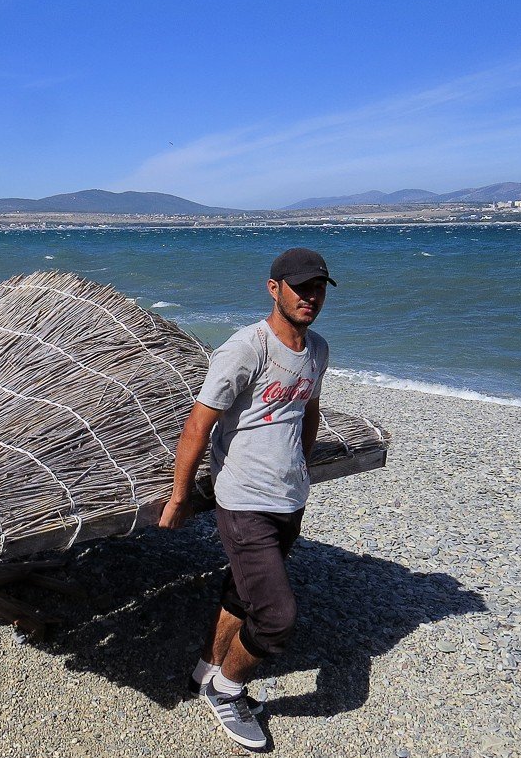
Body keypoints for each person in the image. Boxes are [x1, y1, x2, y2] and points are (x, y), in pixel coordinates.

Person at [159, 247, 335, 750]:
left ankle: (205, 670)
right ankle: (228, 691)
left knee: (242, 591)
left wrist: (301, 463)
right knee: (276, 619)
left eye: (318, 287)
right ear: (274, 288)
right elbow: (198, 425)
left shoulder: (317, 349)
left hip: (289, 498)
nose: (310, 297)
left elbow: (308, 411)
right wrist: (179, 497)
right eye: (300, 287)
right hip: (243, 500)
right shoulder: (246, 348)